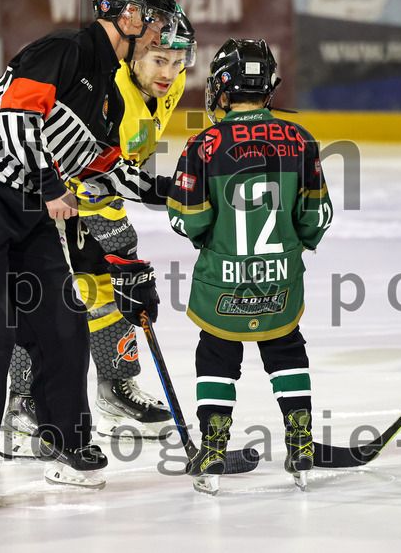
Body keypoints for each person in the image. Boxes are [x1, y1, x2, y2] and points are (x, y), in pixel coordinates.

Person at [0, 0, 179, 509]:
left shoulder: (109, 93)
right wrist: (49, 184)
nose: (161, 33)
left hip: (26, 205)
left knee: (62, 322)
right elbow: (18, 119)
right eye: (154, 20)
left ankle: (66, 445)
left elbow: (105, 170)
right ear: (127, 16)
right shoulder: (64, 49)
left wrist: (177, 191)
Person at [0, 5, 198, 456]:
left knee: (108, 285)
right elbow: (66, 157)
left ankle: (113, 393)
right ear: (135, 55)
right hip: (53, 194)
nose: (170, 73)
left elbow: (121, 165)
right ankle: (23, 404)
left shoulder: (172, 83)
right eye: (159, 59)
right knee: (50, 295)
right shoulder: (110, 91)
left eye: (178, 61)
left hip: (100, 186)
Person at [166, 38, 333, 494]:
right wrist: (294, 246)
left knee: (217, 353)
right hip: (280, 278)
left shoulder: (204, 145)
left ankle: (214, 447)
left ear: (223, 85)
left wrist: (208, 238)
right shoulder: (300, 139)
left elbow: (188, 217)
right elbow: (317, 216)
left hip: (222, 280)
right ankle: (300, 442)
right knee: (286, 348)